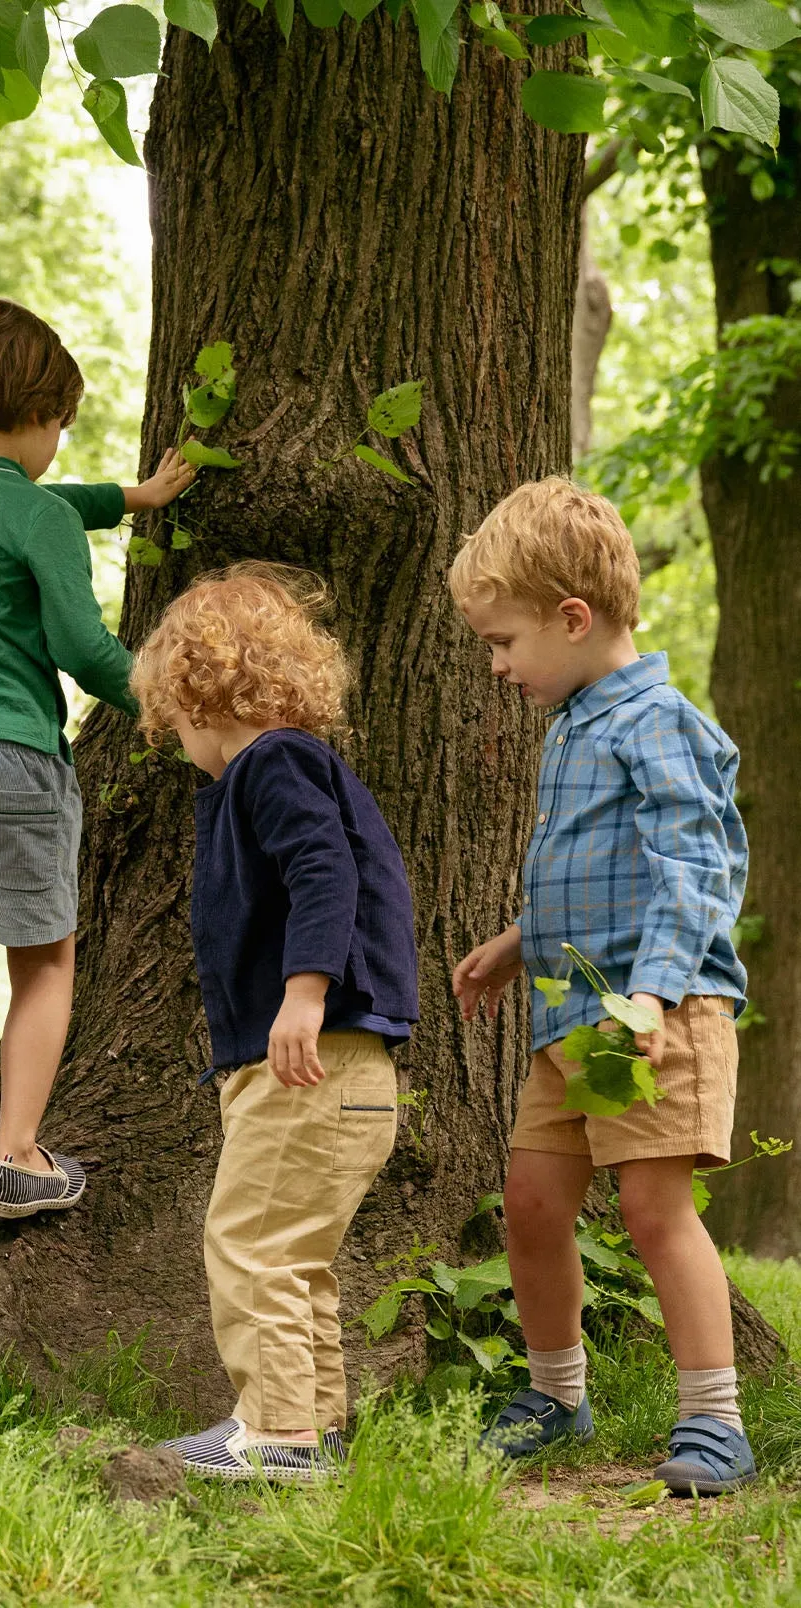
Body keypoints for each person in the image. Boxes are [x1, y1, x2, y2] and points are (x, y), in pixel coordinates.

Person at [450, 477, 753, 1496]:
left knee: (651, 1208)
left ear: (571, 619)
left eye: (502, 643)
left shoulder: (654, 724)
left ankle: (712, 1419)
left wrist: (655, 998)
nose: (495, 666)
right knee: (530, 1201)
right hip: (574, 1014)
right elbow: (597, 873)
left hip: (645, 1016)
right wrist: (513, 943)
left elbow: (692, 872)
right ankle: (555, 1394)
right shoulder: (576, 722)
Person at [0, 297, 194, 1252]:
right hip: (12, 760)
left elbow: (35, 505)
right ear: (38, 414)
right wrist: (165, 698)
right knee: (45, 961)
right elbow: (82, 646)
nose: (61, 444)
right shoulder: (38, 512)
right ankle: (19, 1154)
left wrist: (128, 500)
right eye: (59, 426)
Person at [129, 563, 418, 1483]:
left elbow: (324, 875)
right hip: (330, 1073)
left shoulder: (273, 763)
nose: (179, 746)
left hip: (313, 1064)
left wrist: (303, 993)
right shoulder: (277, 771)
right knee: (295, 1259)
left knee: (250, 1243)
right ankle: (309, 1428)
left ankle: (279, 1437)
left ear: (197, 692)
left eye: (172, 727)